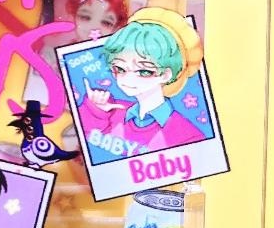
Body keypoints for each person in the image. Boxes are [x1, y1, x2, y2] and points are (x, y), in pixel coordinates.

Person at [80, 8, 205, 155]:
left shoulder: (186, 135)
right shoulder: (113, 111)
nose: (128, 79)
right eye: (120, 69)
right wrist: (95, 111)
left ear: (166, 75)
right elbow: (85, 146)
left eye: (144, 72)